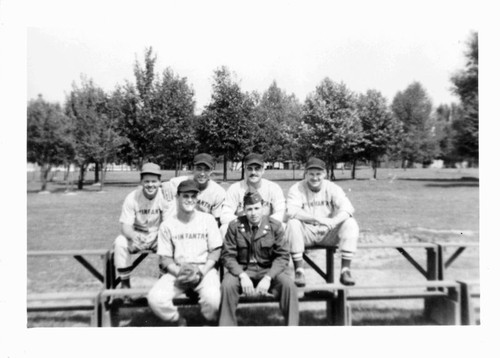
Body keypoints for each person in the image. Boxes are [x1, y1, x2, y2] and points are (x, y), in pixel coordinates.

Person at [148, 179, 222, 326]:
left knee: (213, 299)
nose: (189, 200)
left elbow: (215, 251)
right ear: (177, 197)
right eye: (185, 196)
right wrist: (179, 272)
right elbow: (165, 258)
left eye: (193, 196)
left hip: (204, 270)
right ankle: (178, 321)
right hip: (177, 270)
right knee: (155, 298)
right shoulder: (167, 224)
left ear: (197, 198)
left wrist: (200, 273)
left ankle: (208, 321)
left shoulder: (208, 220)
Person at [219, 191, 299, 326]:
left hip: (268, 269)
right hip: (242, 270)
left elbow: (282, 256)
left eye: (256, 208)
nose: (253, 213)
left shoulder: (274, 226)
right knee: (227, 286)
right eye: (249, 209)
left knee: (289, 286)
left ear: (263, 208)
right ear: (243, 210)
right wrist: (242, 276)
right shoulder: (235, 226)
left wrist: (268, 278)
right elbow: (228, 255)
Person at [285, 157, 360, 287]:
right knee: (292, 223)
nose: (315, 178)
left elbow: (348, 208)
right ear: (305, 174)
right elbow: (292, 211)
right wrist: (318, 219)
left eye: (318, 174)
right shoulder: (297, 188)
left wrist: (334, 221)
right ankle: (299, 271)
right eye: (311, 174)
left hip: (328, 232)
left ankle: (345, 271)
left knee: (350, 222)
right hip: (306, 233)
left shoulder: (332, 187)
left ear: (324, 174)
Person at [113, 163, 172, 289]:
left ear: (159, 182)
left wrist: (157, 236)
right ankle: (125, 284)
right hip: (138, 235)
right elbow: (125, 225)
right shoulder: (132, 197)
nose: (150, 185)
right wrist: (134, 235)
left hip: (158, 235)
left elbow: (168, 226)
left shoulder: (165, 196)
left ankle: (162, 283)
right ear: (141, 182)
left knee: (171, 242)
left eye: (154, 181)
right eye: (147, 181)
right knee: (120, 242)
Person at [220, 153, 286, 237]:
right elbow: (225, 215)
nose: (253, 172)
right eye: (250, 169)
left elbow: (281, 212)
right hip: (242, 229)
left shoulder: (273, 188)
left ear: (263, 170)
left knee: (283, 226)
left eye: (257, 169)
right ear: (245, 169)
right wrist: (245, 223)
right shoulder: (235, 188)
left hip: (267, 229)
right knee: (224, 228)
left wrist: (263, 224)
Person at [162, 153, 225, 226]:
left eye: (206, 170)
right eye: (199, 169)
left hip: (202, 227)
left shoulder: (218, 192)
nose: (202, 174)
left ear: (211, 171)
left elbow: (216, 221)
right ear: (193, 169)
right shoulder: (181, 182)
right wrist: (165, 184)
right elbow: (163, 186)